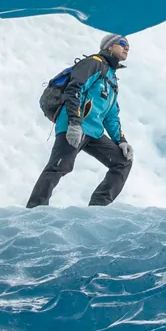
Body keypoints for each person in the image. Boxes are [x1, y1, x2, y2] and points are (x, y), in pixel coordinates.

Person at [27, 33, 133, 207]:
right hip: (74, 126)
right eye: (122, 43)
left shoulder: (112, 78)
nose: (127, 47)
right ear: (109, 46)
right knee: (59, 166)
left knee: (122, 162)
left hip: (94, 132)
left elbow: (111, 115)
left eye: (128, 45)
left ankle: (98, 208)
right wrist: (74, 123)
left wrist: (121, 140)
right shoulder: (94, 63)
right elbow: (74, 89)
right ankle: (35, 209)